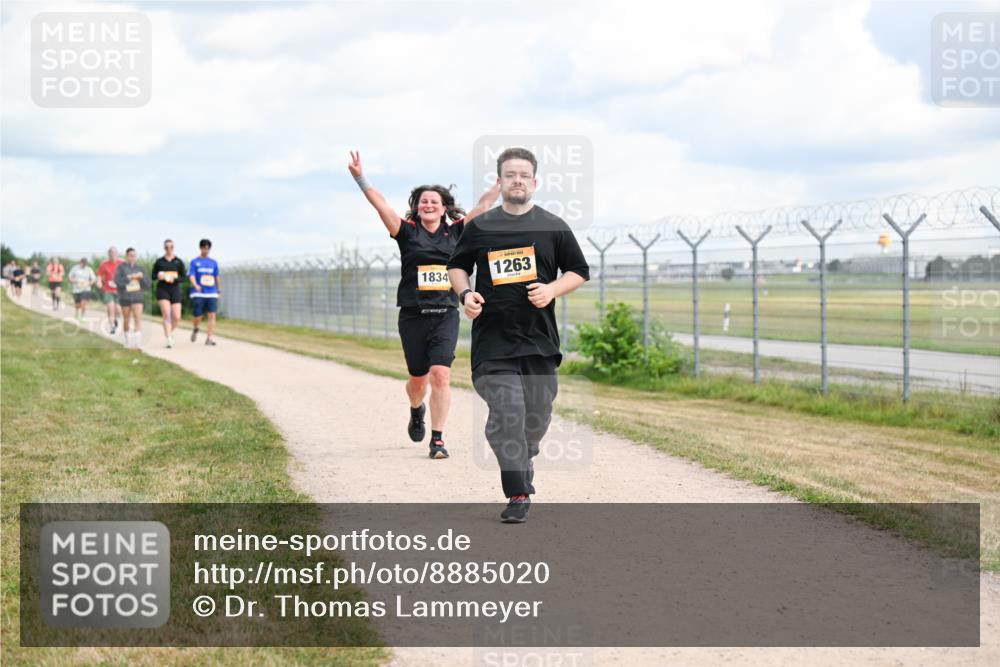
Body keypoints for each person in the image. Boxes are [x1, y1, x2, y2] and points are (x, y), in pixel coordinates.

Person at [447, 147, 590, 522]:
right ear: (500, 181)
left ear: (535, 182)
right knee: (508, 413)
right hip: (493, 342)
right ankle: (518, 492)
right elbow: (457, 268)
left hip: (540, 342)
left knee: (536, 418)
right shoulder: (480, 227)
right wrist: (465, 295)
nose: (517, 181)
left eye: (524, 175)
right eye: (510, 175)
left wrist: (552, 290)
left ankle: (522, 458)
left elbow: (578, 271)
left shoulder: (553, 225)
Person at [348, 150, 499, 459]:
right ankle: (416, 409)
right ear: (417, 208)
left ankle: (438, 439)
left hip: (446, 312)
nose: (428, 204)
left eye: (434, 201)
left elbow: (484, 206)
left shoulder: (457, 231)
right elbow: (379, 204)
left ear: (444, 208)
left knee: (441, 375)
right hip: (413, 315)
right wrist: (360, 177)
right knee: (418, 380)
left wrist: (502, 182)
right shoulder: (406, 232)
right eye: (423, 201)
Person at [152, 239, 186, 348]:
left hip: (175, 289)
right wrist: (158, 276)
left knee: (176, 316)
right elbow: (152, 276)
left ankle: (169, 333)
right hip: (162, 289)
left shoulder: (178, 262)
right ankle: (168, 339)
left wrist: (174, 279)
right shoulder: (159, 261)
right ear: (164, 248)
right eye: (167, 247)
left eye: (171, 247)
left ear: (173, 247)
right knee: (166, 313)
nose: (169, 249)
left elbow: (183, 278)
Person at [115, 248, 150, 350]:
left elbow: (147, 285)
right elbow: (118, 282)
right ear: (127, 256)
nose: (132, 257)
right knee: (126, 319)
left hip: (137, 297)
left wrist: (141, 277)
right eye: (130, 255)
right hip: (125, 297)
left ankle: (137, 343)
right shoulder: (121, 268)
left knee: (137, 318)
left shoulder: (140, 269)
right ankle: (126, 341)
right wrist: (129, 278)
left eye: (134, 255)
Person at [189, 239, 220, 346]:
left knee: (212, 315)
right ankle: (196, 328)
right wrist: (195, 285)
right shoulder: (194, 262)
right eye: (204, 248)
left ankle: (209, 338)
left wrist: (218, 289)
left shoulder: (213, 263)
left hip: (211, 292)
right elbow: (191, 275)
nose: (205, 250)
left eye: (207, 248)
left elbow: (216, 276)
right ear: (200, 248)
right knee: (198, 315)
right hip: (199, 293)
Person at [96, 247, 124, 334]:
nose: (113, 254)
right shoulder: (104, 264)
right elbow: (99, 276)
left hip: (120, 290)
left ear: (117, 254)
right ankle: (112, 326)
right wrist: (99, 282)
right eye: (111, 253)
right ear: (108, 254)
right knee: (110, 307)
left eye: (115, 253)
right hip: (108, 290)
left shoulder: (122, 263)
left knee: (119, 309)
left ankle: (116, 320)